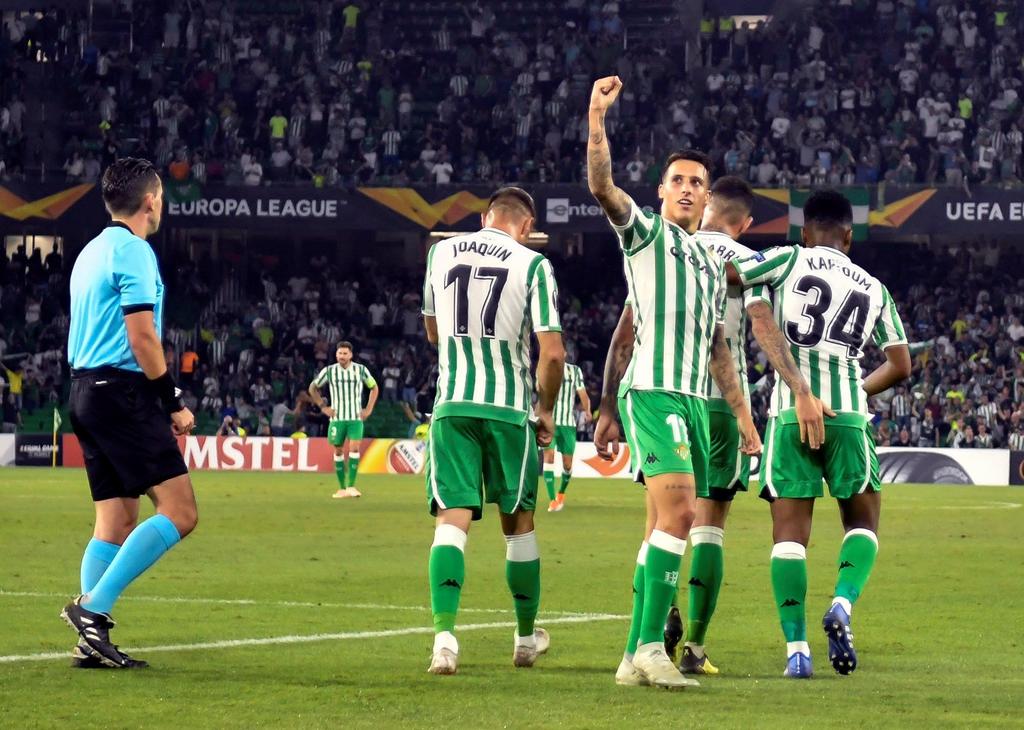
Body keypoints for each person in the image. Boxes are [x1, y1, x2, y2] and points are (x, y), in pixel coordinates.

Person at [587, 76, 761, 690]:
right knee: (683, 511)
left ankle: (630, 658)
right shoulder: (646, 234)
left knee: (667, 521)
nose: (687, 188)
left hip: (693, 402)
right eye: (678, 180)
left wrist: (742, 415)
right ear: (661, 191)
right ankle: (649, 648)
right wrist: (597, 119)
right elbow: (603, 187)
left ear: (708, 199)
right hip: (653, 392)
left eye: (696, 183)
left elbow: (718, 347)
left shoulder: (712, 263)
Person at [729, 189, 912, 678]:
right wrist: (857, 391)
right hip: (848, 414)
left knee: (789, 537)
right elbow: (901, 363)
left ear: (805, 233)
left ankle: (797, 652)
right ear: (848, 237)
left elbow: (732, 273)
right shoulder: (873, 287)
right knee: (863, 525)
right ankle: (842, 605)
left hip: (792, 412)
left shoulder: (789, 258)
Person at [421, 186, 564, 675]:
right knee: (518, 523)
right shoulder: (533, 264)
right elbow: (553, 353)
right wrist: (546, 410)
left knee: (451, 521)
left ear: (486, 217)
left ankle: (444, 641)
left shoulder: (440, 253)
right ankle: (524, 639)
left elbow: (433, 331)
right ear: (527, 226)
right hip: (508, 410)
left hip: (453, 405)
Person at [62, 157, 198, 669]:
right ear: (151, 200)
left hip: (84, 389)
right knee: (180, 512)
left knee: (115, 519)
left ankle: (90, 640)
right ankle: (91, 608)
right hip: (120, 392)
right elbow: (142, 337)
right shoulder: (135, 251)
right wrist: (172, 402)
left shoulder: (90, 251)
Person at [308, 341, 378, 498]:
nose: (342, 356)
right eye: (340, 353)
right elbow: (312, 387)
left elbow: (374, 387)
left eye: (345, 353)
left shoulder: (360, 370)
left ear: (351, 355)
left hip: (355, 417)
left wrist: (368, 409)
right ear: (336, 354)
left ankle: (351, 486)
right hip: (337, 418)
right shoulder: (329, 371)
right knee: (338, 450)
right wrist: (323, 407)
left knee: (354, 448)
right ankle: (341, 488)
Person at [542, 360, 591, 513]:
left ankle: (561, 493)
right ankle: (552, 500)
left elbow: (582, 393)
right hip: (549, 422)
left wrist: (588, 411)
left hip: (568, 424)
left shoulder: (574, 371)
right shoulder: (545, 367)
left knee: (567, 464)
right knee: (549, 456)